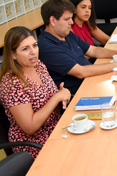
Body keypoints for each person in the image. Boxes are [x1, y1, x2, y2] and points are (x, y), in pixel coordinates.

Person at [37, 0, 117, 94]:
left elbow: (92, 50)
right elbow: (81, 72)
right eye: (67, 19)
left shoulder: (66, 34)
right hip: (80, 93)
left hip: (91, 81)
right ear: (53, 21)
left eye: (71, 18)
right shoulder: (46, 47)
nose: (71, 22)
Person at [0, 27, 71, 158]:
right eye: (25, 49)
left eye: (34, 45)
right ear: (13, 54)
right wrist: (56, 98)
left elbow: (50, 97)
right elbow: (30, 127)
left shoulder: (38, 65)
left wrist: (62, 97)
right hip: (34, 145)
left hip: (57, 128)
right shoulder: (11, 84)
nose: (33, 52)